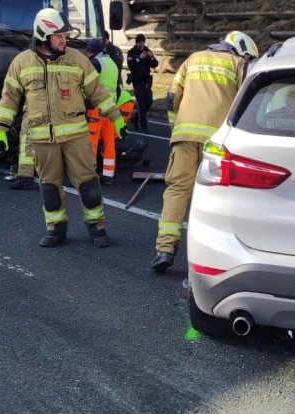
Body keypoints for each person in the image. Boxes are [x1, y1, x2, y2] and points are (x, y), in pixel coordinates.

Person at [0, 8, 127, 248]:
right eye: (58, 36)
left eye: (64, 35)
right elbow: (9, 99)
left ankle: (97, 228)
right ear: (43, 36)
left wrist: (116, 118)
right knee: (49, 187)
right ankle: (56, 229)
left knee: (89, 185)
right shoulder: (21, 63)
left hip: (76, 136)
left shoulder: (77, 59)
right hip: (42, 140)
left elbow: (98, 93)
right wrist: (0, 129)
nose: (63, 40)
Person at [151, 31, 258, 272]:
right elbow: (247, 103)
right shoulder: (239, 65)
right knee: (218, 196)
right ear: (242, 50)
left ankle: (165, 249)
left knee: (177, 190)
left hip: (184, 137)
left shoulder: (192, 59)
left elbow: (171, 99)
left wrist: (175, 129)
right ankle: (217, 257)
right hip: (218, 144)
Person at [85, 38, 133, 185]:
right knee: (109, 143)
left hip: (96, 109)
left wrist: (85, 105)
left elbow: (88, 86)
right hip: (111, 110)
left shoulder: (95, 63)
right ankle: (108, 175)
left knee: (91, 142)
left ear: (91, 52)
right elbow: (117, 87)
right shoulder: (112, 63)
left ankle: (89, 176)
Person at [126, 33, 158, 132]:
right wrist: (139, 58)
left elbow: (155, 64)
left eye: (143, 43)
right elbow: (130, 64)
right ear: (136, 43)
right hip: (137, 81)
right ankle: (143, 125)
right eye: (139, 43)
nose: (141, 45)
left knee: (149, 101)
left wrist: (151, 57)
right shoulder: (132, 52)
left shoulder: (147, 50)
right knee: (141, 103)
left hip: (146, 81)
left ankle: (135, 118)